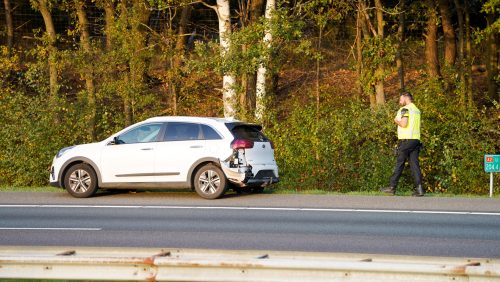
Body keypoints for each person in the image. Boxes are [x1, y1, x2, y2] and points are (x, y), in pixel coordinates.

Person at [380, 92, 424, 196]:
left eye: (400, 99)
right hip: (415, 141)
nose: (400, 102)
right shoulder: (416, 110)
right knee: (414, 165)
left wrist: (396, 120)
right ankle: (419, 189)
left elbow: (404, 124)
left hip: (406, 141)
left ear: (405, 98)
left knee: (399, 163)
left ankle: (392, 187)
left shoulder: (405, 109)